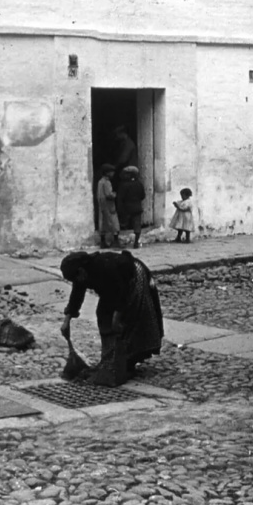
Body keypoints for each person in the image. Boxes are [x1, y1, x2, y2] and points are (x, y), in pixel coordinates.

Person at [60, 250, 164, 387]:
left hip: (132, 278)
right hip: (113, 290)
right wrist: (67, 320)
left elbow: (121, 293)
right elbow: (76, 295)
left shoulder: (105, 268)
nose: (75, 282)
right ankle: (110, 361)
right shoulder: (82, 275)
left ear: (80, 271)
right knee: (103, 317)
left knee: (129, 320)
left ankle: (127, 361)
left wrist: (116, 319)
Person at [117, 166, 146, 249]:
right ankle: (136, 242)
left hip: (126, 208)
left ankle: (121, 242)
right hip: (137, 207)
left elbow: (120, 197)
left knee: (123, 224)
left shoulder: (123, 185)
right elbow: (143, 196)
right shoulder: (139, 184)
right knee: (137, 225)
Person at [96, 164, 120, 248]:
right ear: (107, 173)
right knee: (114, 223)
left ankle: (103, 242)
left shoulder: (100, 182)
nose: (113, 174)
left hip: (102, 205)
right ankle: (115, 242)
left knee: (103, 223)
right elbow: (109, 194)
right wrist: (115, 194)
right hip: (109, 206)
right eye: (111, 172)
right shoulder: (107, 182)